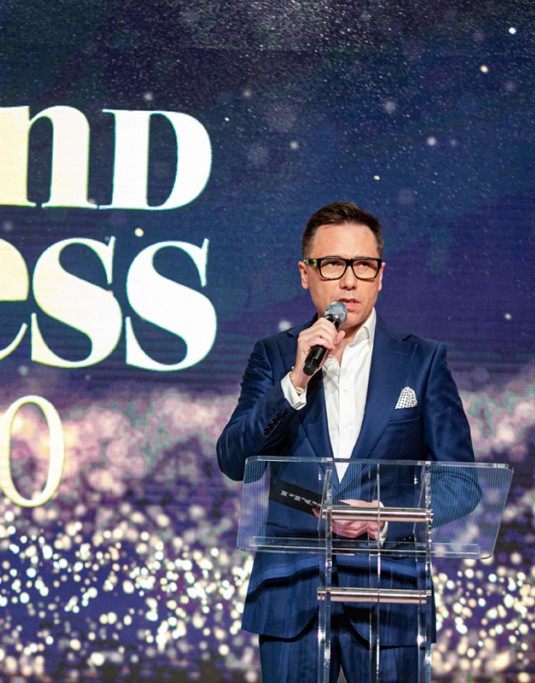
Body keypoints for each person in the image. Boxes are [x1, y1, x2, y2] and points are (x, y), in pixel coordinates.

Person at [215, 201, 475, 681]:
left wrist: (386, 517)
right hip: (291, 594)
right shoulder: (274, 356)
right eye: (333, 264)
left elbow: (461, 482)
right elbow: (233, 458)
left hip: (390, 593)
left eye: (364, 265)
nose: (350, 281)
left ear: (381, 275)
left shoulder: (422, 361)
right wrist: (295, 381)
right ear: (305, 274)